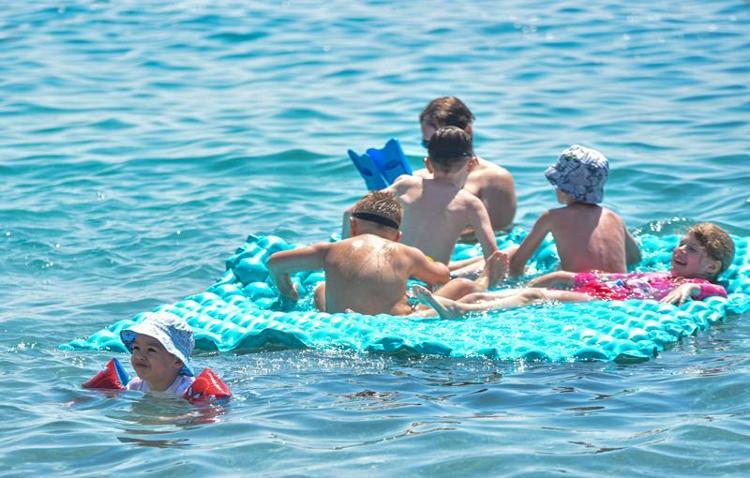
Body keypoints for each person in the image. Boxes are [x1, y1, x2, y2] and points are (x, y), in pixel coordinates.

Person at [412, 223, 734, 319]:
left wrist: (691, 288)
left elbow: (717, 291)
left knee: (534, 296)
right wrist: (573, 277)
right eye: (680, 244)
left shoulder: (696, 284)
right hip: (604, 289)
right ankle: (427, 313)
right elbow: (623, 279)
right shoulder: (664, 276)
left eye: (692, 250)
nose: (680, 250)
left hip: (610, 303)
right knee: (485, 293)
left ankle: (460, 311)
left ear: (712, 266)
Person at [273, 191, 506, 315]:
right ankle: (486, 280)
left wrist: (287, 289)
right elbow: (442, 276)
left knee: (321, 288)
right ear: (397, 236)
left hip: (343, 318)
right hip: (396, 321)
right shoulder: (406, 253)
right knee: (463, 284)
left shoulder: (328, 250)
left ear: (352, 226)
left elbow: (274, 263)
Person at [348, 126, 499, 266]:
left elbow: (349, 212)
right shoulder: (471, 204)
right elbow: (493, 259)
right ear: (472, 164)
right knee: (502, 257)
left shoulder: (404, 185)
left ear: (427, 163)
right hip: (430, 279)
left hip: (394, 272)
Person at [508, 144, 641, 277]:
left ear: (564, 188)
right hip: (620, 284)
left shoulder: (552, 217)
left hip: (584, 286)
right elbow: (635, 258)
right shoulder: (613, 217)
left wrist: (520, 278)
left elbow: (517, 262)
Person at [416, 96, 517, 232]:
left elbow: (497, 231)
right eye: (427, 144)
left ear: (467, 131)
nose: (433, 151)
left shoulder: (494, 178)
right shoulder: (417, 178)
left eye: (442, 145)